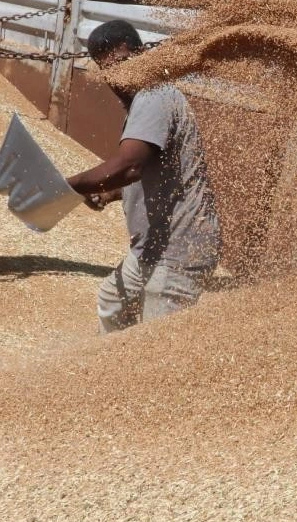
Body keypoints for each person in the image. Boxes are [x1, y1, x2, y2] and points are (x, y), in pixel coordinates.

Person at [66, 20, 221, 333]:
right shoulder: (145, 100)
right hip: (152, 248)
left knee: (156, 346)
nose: (119, 77)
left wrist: (65, 186)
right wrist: (112, 193)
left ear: (142, 55)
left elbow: (130, 166)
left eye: (124, 63)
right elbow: (156, 171)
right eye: (108, 71)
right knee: (112, 299)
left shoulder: (153, 96)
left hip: (178, 251)